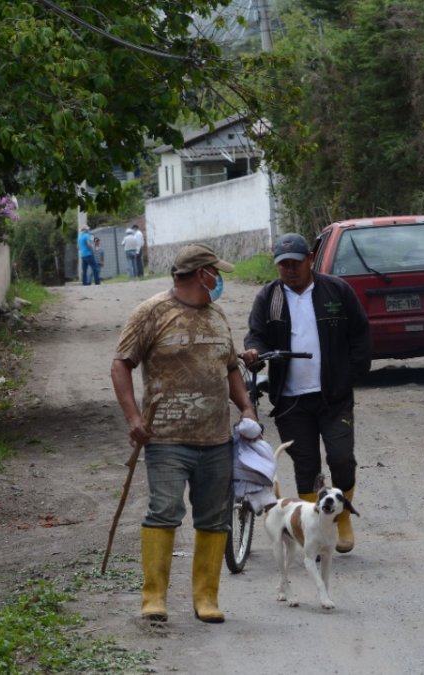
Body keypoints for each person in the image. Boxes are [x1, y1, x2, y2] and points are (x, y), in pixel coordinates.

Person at [110, 243, 257, 623]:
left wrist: (246, 407)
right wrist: (133, 418)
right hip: (166, 439)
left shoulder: (217, 315)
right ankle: (154, 598)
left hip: (216, 439)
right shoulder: (152, 312)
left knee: (214, 518)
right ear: (200, 274)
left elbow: (230, 368)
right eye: (215, 272)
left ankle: (206, 599)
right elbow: (121, 365)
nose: (219, 279)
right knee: (164, 510)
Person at [242, 232, 371, 553]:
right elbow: (256, 335)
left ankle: (342, 518)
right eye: (283, 264)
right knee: (306, 464)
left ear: (310, 260)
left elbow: (360, 333)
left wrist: (351, 375)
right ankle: (315, 528)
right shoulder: (269, 298)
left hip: (334, 396)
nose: (290, 269)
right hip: (291, 400)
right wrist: (254, 351)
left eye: (296, 263)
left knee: (342, 458)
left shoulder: (336, 290)